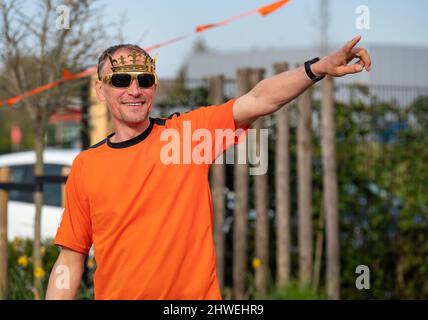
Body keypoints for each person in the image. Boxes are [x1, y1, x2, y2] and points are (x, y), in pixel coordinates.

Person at [46, 35, 371, 300]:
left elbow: (259, 100)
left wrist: (318, 68)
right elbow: (71, 260)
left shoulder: (186, 137)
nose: (134, 90)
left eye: (144, 79)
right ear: (100, 90)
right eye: (120, 80)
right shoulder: (87, 166)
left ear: (154, 87)